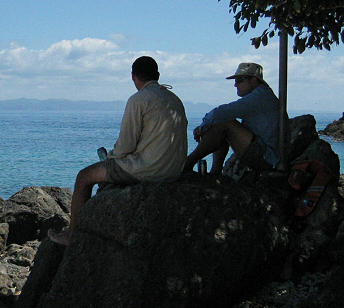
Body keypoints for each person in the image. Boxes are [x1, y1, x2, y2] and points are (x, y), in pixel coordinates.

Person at [48, 56, 188, 245]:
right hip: (173, 170)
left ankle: (71, 235)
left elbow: (125, 146)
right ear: (158, 75)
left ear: (133, 77)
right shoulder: (174, 99)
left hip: (149, 170)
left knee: (83, 177)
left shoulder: (139, 100)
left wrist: (110, 160)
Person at [184, 62, 281, 175]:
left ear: (254, 80)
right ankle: (214, 172)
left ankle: (189, 161)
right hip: (268, 155)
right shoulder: (262, 95)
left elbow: (220, 112)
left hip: (268, 158)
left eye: (239, 80)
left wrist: (202, 127)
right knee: (222, 122)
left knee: (226, 123)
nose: (235, 85)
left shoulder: (259, 97)